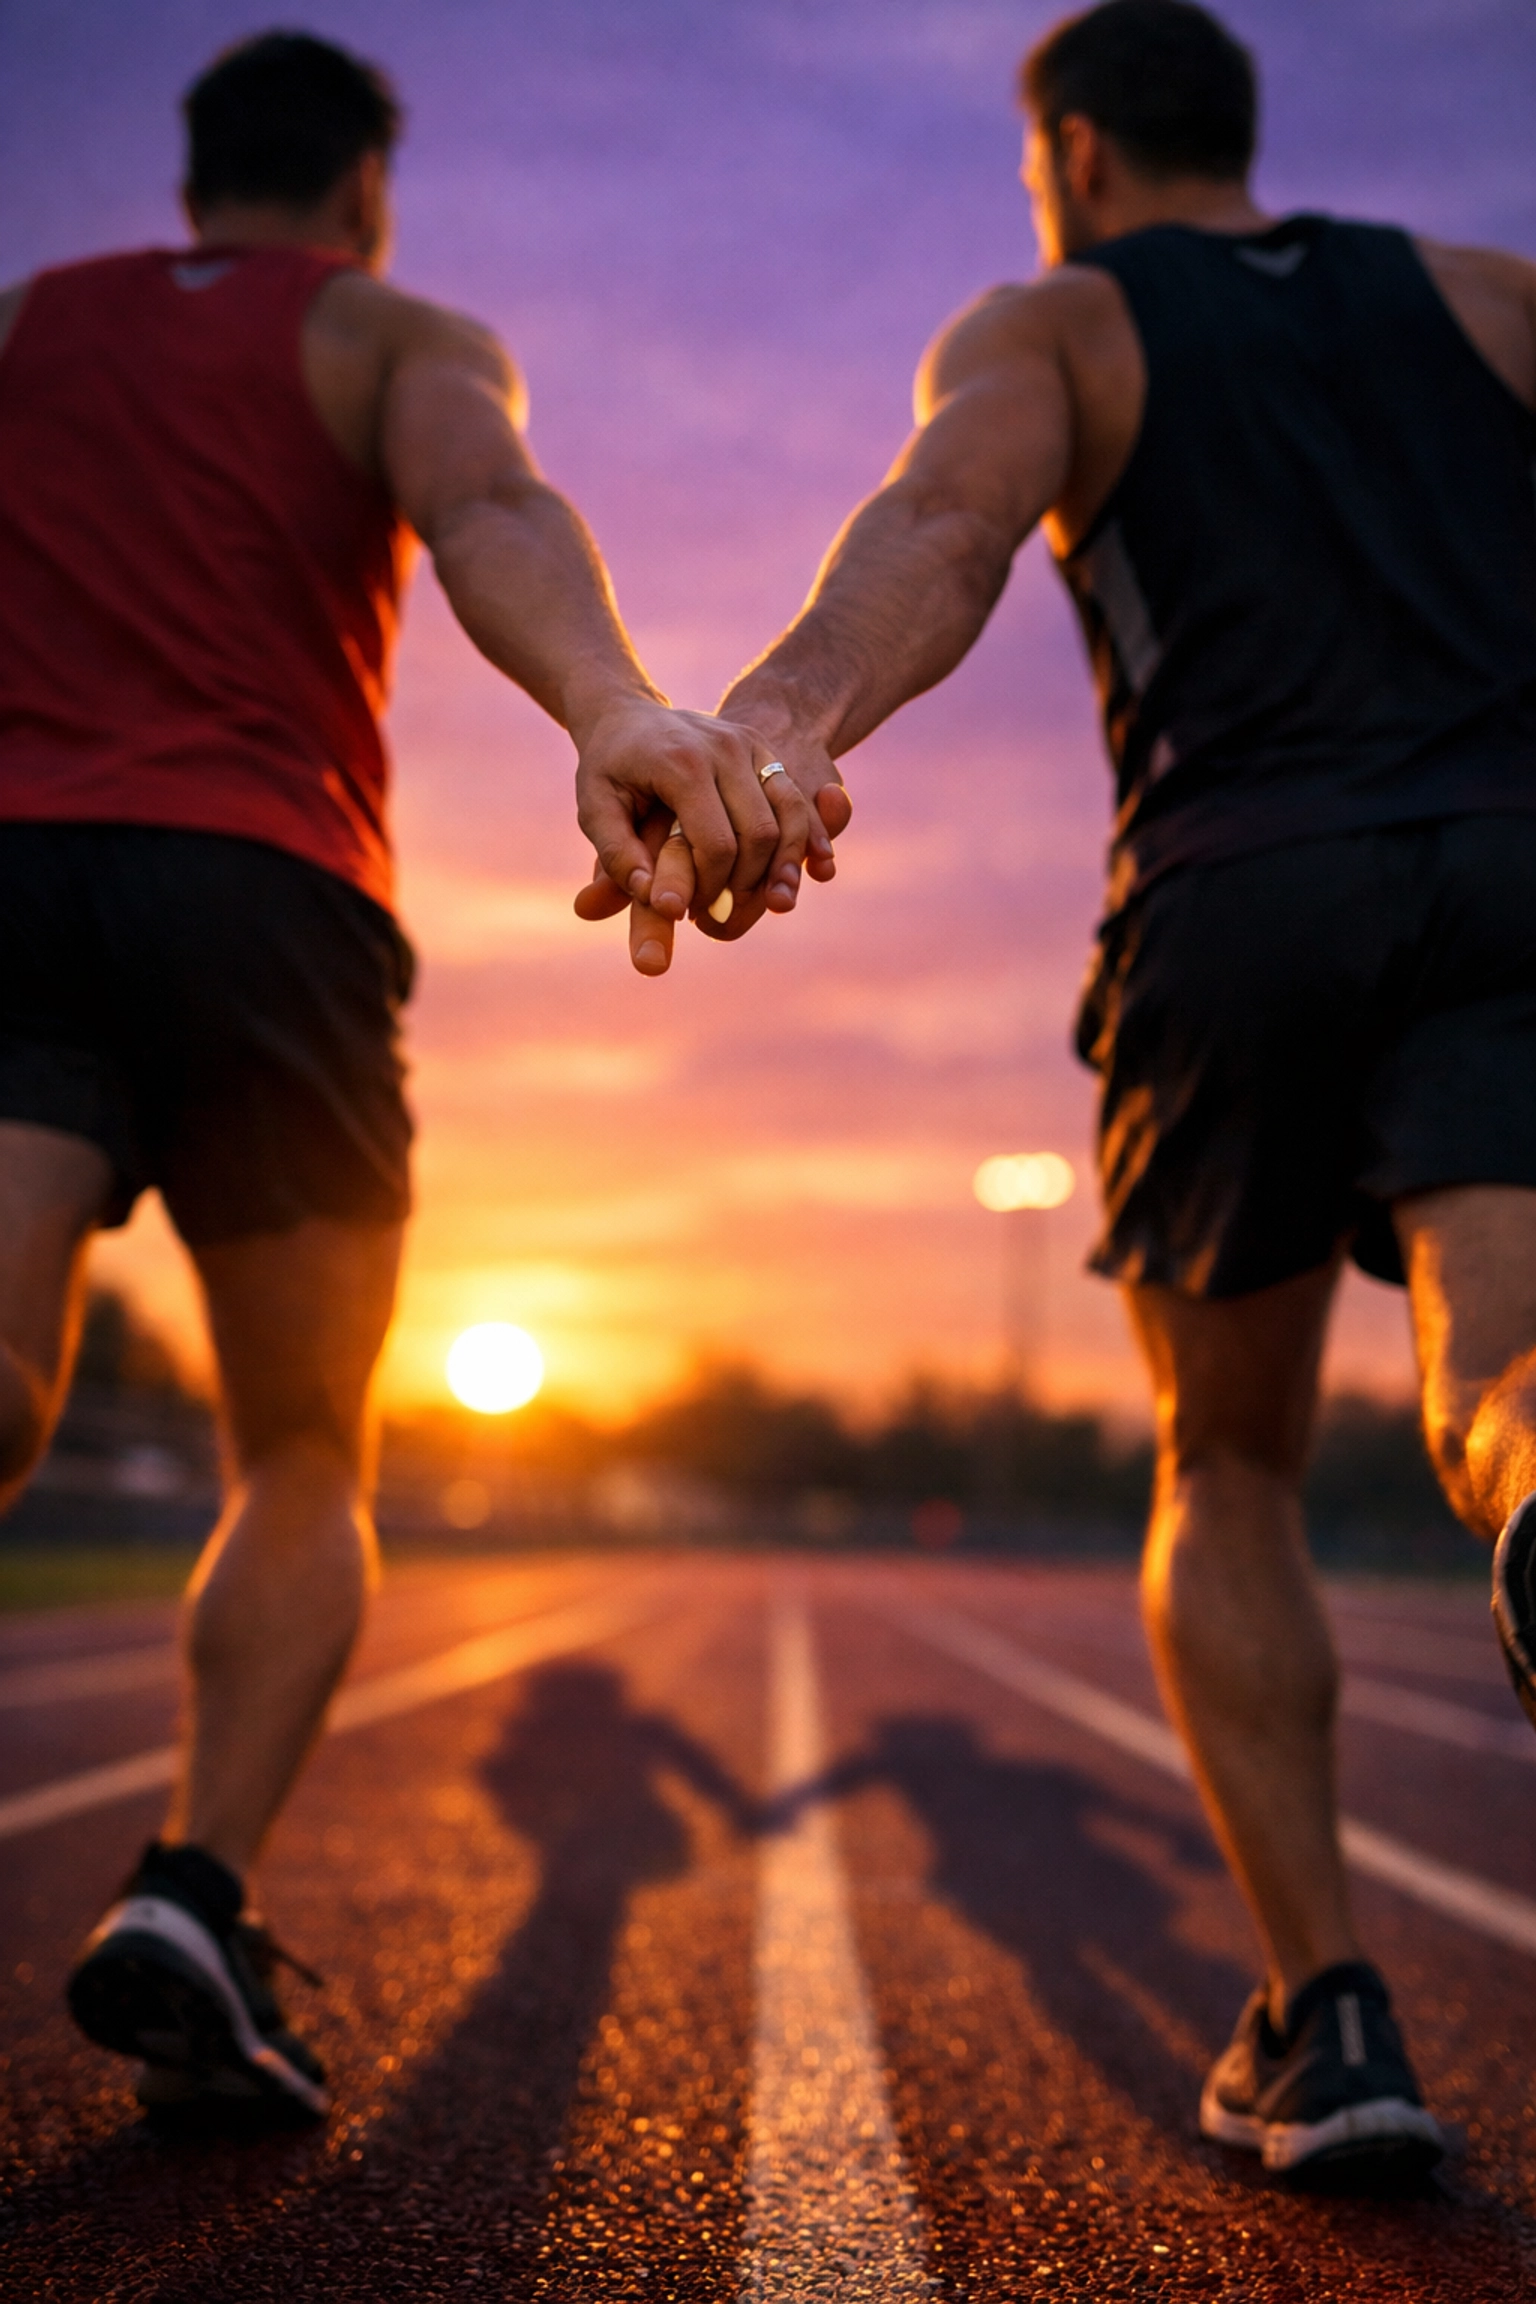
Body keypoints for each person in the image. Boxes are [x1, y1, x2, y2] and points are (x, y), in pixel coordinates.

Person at [619, 0, 1536, 2182]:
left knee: (1225, 1462)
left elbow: (938, 528)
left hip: (1242, 896)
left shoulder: (1062, 321)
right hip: (1509, 876)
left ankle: (1329, 2024)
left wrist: (773, 727)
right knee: (1503, 1375)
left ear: (1082, 152)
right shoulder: (1498, 299)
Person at [0, 30, 821, 2123]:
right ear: (363, 187)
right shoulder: (389, 331)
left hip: (16, 871)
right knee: (298, 1452)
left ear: (188, 184)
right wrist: (613, 705)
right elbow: (487, 505)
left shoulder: (26, 327)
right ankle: (195, 1885)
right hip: (267, 897)